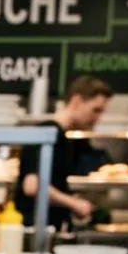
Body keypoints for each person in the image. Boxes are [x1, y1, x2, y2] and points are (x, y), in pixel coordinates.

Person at [15, 75, 112, 229]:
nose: (97, 118)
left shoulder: (66, 138)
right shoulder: (47, 133)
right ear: (76, 101)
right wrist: (74, 203)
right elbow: (32, 186)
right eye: (96, 110)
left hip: (48, 227)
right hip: (35, 228)